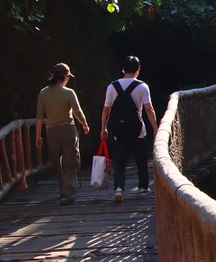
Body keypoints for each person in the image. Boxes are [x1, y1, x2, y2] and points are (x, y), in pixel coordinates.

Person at [100, 55, 159, 203]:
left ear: (123, 69)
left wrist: (103, 128)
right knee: (141, 159)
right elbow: (149, 109)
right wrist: (155, 128)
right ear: (138, 70)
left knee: (120, 160)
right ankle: (143, 187)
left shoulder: (112, 87)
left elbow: (106, 109)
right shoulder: (142, 86)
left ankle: (119, 188)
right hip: (138, 129)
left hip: (119, 130)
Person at [36, 63, 91, 206]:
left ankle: (62, 189)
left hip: (51, 131)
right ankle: (69, 193)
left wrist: (38, 135)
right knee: (70, 161)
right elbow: (77, 111)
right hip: (68, 130)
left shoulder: (43, 93)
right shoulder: (69, 92)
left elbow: (39, 116)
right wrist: (85, 124)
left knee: (56, 162)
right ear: (65, 77)